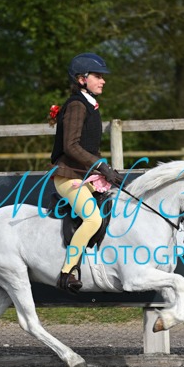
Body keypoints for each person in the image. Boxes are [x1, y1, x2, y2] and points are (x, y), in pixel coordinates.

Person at [49, 53, 123, 293]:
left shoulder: (89, 105)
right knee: (93, 219)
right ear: (82, 79)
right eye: (98, 76)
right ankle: (67, 271)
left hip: (85, 176)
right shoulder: (77, 106)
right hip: (68, 177)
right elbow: (71, 146)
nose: (103, 81)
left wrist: (106, 172)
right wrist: (101, 165)